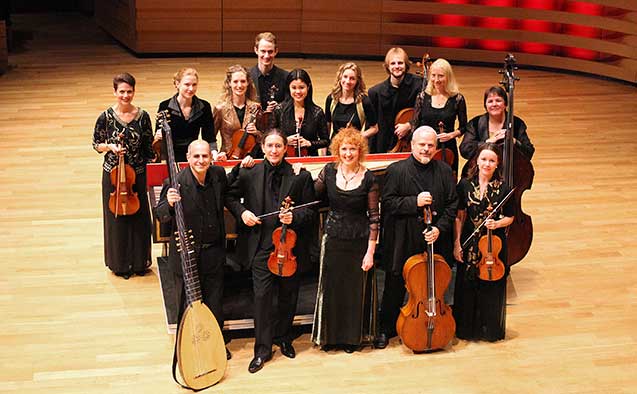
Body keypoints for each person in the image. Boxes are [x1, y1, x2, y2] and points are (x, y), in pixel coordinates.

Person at [226, 129, 316, 373]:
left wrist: (293, 217)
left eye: (279, 146)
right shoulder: (249, 173)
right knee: (262, 299)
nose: (274, 150)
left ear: (285, 148)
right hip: (260, 248)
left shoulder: (300, 177)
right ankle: (262, 350)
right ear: (263, 148)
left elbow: (310, 212)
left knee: (288, 296)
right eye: (270, 146)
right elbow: (230, 197)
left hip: (289, 248)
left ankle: (284, 338)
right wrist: (242, 213)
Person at [375, 126, 458, 349]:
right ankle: (386, 328)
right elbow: (389, 203)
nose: (426, 149)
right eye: (421, 144)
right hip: (404, 238)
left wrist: (439, 228)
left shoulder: (444, 171)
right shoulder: (396, 170)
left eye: (430, 145)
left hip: (433, 238)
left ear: (436, 147)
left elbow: (452, 205)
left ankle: (428, 324)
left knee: (431, 284)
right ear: (412, 145)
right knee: (395, 284)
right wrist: (415, 202)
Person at [154, 139, 233, 359]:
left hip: (213, 252)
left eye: (205, 156)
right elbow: (160, 215)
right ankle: (186, 346)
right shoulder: (175, 182)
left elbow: (231, 188)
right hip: (186, 255)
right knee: (185, 302)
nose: (201, 160)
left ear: (211, 157)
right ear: (188, 158)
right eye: (196, 156)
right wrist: (168, 204)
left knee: (214, 302)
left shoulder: (217, 176)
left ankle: (215, 344)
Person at [310, 127, 380, 353]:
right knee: (332, 289)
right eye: (344, 149)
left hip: (358, 241)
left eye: (352, 149)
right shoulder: (328, 172)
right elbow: (311, 196)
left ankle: (351, 339)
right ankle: (331, 338)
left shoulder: (369, 178)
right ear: (337, 150)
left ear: (360, 151)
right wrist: (299, 175)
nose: (348, 153)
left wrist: (370, 252)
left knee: (353, 292)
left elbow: (374, 218)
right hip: (333, 239)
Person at [92, 72, 153, 279]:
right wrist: (109, 146)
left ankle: (138, 262)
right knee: (116, 218)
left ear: (134, 91)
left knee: (139, 218)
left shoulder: (143, 116)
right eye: (122, 92)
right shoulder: (106, 117)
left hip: (137, 175)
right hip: (114, 176)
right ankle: (119, 264)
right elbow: (95, 144)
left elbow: (148, 146)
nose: (125, 96)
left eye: (129, 91)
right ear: (115, 92)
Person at [453, 142, 514, 342]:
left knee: (490, 286)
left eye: (492, 160)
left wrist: (497, 224)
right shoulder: (464, 185)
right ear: (476, 161)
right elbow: (460, 215)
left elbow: (510, 217)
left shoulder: (504, 188)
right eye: (484, 159)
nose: (487, 164)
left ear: (497, 164)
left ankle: (488, 330)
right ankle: (466, 329)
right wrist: (456, 243)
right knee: (468, 284)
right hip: (470, 241)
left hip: (492, 245)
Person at [412, 58, 467, 176]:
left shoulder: (458, 99)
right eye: (433, 75)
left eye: (441, 76)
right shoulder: (422, 97)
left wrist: (451, 135)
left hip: (447, 148)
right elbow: (414, 125)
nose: (436, 80)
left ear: (448, 77)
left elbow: (463, 127)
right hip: (425, 147)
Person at [156, 67, 221, 162]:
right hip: (171, 155)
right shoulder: (165, 106)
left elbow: (209, 137)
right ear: (177, 84)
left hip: (194, 154)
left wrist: (214, 153)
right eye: (187, 84)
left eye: (194, 85)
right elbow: (158, 138)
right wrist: (158, 136)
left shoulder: (204, 106)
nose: (191, 89)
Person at [459, 85, 535, 163]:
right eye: (490, 101)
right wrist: (488, 142)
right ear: (485, 105)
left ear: (505, 104)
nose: (494, 104)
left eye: (498, 100)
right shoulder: (475, 123)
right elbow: (465, 150)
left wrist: (514, 142)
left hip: (510, 169)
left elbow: (529, 152)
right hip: (482, 169)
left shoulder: (517, 123)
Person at [368, 47, 423, 153]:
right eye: (393, 63)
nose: (397, 66)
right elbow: (372, 125)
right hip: (384, 144)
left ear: (406, 65)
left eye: (400, 63)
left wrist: (409, 125)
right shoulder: (375, 93)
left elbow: (425, 113)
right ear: (387, 67)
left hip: (408, 142)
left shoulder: (418, 85)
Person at [272, 69, 329, 156]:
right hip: (284, 160)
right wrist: (285, 140)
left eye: (301, 87)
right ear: (289, 88)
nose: (298, 92)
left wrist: (309, 143)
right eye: (294, 88)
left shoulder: (317, 112)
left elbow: (326, 141)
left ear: (308, 87)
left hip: (309, 159)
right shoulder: (279, 110)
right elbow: (270, 137)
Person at [213, 64, 263, 159]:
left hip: (251, 158)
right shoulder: (220, 109)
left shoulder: (256, 107)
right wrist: (216, 154)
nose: (239, 85)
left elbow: (264, 137)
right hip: (227, 157)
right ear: (229, 83)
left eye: (243, 81)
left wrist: (256, 132)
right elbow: (210, 138)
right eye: (235, 82)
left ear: (248, 83)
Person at [325, 62, 378, 141]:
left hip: (354, 145)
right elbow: (328, 125)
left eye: (352, 78)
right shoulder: (331, 99)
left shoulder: (364, 101)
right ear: (340, 77)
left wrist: (359, 136)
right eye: (345, 77)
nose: (347, 81)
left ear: (357, 81)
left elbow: (374, 128)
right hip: (335, 145)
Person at [249, 32, 289, 114]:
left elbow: (290, 103)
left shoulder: (286, 77)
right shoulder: (247, 76)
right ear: (256, 50)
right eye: (263, 51)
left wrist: (279, 106)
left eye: (270, 51)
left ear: (276, 51)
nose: (266, 56)